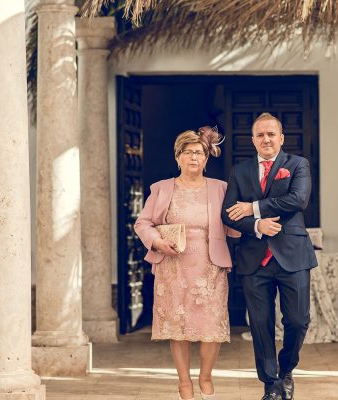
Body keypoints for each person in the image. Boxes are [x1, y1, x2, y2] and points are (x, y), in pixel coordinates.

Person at [134, 127, 239, 400]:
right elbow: (143, 223)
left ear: (206, 158)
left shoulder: (221, 188)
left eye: (200, 153)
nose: (194, 157)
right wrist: (157, 242)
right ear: (177, 157)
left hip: (210, 265)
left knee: (211, 327)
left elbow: (233, 224)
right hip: (173, 265)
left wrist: (250, 217)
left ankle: (205, 377)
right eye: (188, 152)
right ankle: (184, 383)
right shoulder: (161, 188)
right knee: (177, 326)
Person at [221, 113, 317, 400]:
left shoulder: (298, 165)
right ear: (253, 140)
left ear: (281, 138)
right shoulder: (239, 171)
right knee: (260, 324)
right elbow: (228, 213)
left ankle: (287, 368)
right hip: (254, 258)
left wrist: (253, 208)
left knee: (298, 320)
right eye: (260, 135)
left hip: (293, 256)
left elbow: (298, 200)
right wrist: (256, 225)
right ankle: (272, 383)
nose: (266, 139)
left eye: (271, 134)